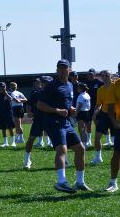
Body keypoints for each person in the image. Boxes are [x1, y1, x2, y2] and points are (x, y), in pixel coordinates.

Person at [37, 59, 91, 193]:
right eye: (59, 68)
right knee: (62, 150)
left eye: (64, 68)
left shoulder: (70, 85)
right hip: (53, 122)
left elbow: (66, 104)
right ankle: (61, 182)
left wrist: (71, 109)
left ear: (69, 70)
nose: (62, 70)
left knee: (80, 149)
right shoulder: (51, 86)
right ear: (56, 70)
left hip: (66, 122)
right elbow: (40, 105)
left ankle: (80, 182)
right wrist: (56, 110)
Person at [23, 76, 53, 170]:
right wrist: (28, 111)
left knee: (58, 140)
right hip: (39, 119)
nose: (44, 84)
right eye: (43, 82)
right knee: (31, 139)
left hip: (51, 118)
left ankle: (65, 160)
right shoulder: (36, 93)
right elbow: (29, 103)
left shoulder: (54, 92)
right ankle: (27, 160)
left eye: (46, 82)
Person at [91, 70, 115, 165]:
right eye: (103, 76)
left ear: (111, 76)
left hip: (116, 115)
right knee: (97, 138)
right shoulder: (100, 89)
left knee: (116, 140)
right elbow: (98, 104)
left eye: (107, 75)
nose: (105, 77)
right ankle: (98, 157)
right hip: (104, 115)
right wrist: (95, 113)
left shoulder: (116, 86)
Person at [105, 62, 120, 192]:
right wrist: (115, 123)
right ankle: (113, 183)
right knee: (117, 154)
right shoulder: (115, 86)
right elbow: (110, 109)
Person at [85, 68, 104, 146]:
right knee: (89, 123)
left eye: (91, 74)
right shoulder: (86, 84)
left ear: (94, 75)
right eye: (89, 74)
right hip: (89, 106)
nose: (90, 75)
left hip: (98, 105)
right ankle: (89, 140)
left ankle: (108, 139)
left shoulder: (99, 83)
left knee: (98, 123)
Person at [0, 82, 16, 147]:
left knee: (10, 128)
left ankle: (13, 142)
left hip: (9, 113)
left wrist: (5, 92)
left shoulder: (9, 93)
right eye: (1, 86)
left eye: (4, 86)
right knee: (3, 128)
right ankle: (5, 142)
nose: (3, 88)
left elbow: (10, 99)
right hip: (0, 114)